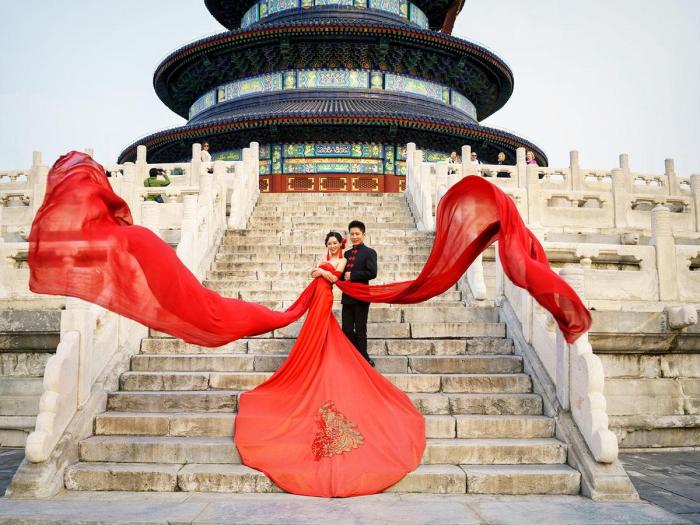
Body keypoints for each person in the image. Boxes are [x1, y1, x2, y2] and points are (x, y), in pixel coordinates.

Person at [28, 151, 592, 499]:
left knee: (345, 353)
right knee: (316, 351)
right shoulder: (328, 264)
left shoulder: (352, 259)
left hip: (340, 308)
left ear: (348, 239)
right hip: (319, 311)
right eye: (333, 242)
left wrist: (342, 278)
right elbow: (313, 290)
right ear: (329, 244)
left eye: (339, 240)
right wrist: (324, 281)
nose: (336, 245)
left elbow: (357, 278)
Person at [341, 221, 378, 367]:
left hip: (362, 296)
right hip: (347, 297)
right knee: (347, 330)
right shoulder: (347, 254)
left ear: (364, 234)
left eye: (357, 234)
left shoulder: (370, 252)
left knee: (361, 329)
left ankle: (363, 357)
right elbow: (341, 274)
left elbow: (372, 272)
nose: (354, 237)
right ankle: (358, 354)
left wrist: (353, 275)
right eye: (352, 234)